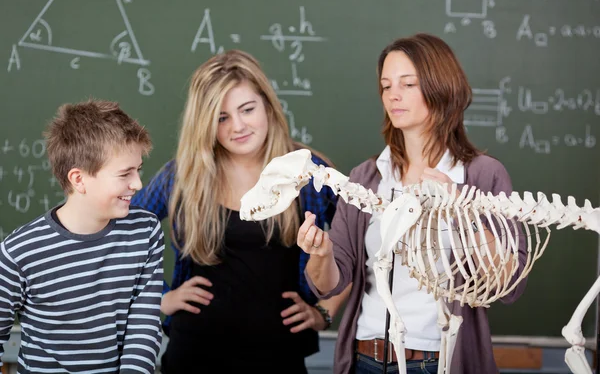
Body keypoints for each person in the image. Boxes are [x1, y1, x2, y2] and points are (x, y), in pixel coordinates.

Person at [297, 33, 528, 374]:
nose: (393, 95)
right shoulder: (365, 177)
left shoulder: (483, 175)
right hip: (364, 358)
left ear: (441, 87)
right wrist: (321, 254)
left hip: (441, 361)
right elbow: (331, 281)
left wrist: (463, 211)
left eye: (408, 83)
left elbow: (509, 283)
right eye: (386, 85)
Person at [131, 49, 347, 373]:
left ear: (267, 106)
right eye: (222, 117)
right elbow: (122, 230)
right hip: (193, 354)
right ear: (205, 122)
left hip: (280, 356)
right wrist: (160, 298)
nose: (238, 126)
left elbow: (363, 247)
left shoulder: (308, 170)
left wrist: (325, 312)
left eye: (247, 109)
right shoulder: (183, 175)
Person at [0, 99, 164, 373]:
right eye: (125, 173)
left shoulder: (144, 232)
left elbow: (143, 328)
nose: (138, 184)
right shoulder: (19, 252)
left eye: (139, 170)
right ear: (78, 179)